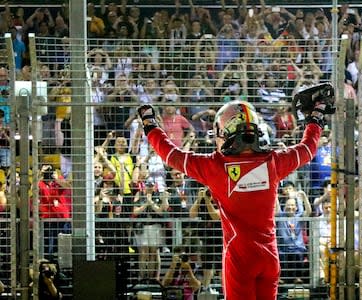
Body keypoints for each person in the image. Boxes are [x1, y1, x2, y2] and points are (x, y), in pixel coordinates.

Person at [137, 83, 335, 299]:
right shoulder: (273, 162)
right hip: (270, 258)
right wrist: (316, 115)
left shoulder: (214, 166)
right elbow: (308, 148)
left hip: (240, 260)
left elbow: (170, 155)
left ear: (224, 132)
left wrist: (150, 123)